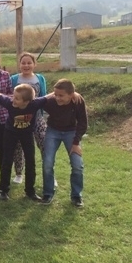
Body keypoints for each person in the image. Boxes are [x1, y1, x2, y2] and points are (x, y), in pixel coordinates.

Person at [0, 84, 52, 202]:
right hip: (10, 133)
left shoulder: (34, 104)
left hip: (27, 134)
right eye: (13, 96)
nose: (13, 99)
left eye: (17, 98)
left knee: (30, 161)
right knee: (7, 160)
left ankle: (30, 191)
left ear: (27, 102)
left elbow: (48, 96)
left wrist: (70, 93)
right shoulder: (10, 103)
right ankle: (3, 189)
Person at [41, 79, 88, 207]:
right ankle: (48, 193)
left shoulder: (78, 101)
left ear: (71, 95)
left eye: (61, 95)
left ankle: (76, 196)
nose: (57, 98)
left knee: (77, 165)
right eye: (55, 94)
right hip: (52, 131)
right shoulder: (50, 101)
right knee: (47, 163)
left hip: (71, 133)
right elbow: (34, 102)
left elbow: (83, 123)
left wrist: (76, 143)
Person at [11, 52, 47, 184]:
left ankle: (49, 174)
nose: (26, 65)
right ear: (19, 64)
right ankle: (19, 173)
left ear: (34, 64)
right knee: (18, 146)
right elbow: (10, 97)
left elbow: (44, 97)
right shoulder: (14, 79)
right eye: (23, 63)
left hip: (37, 117)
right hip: (19, 118)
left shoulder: (40, 78)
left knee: (44, 143)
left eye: (29, 63)